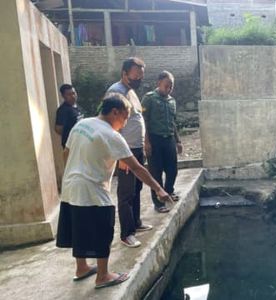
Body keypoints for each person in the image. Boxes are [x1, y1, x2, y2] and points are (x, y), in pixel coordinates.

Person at [56, 93, 173, 289]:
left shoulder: (82, 124)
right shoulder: (112, 135)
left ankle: (82, 267)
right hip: (92, 190)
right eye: (125, 117)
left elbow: (66, 152)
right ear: (115, 112)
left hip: (70, 187)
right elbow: (137, 168)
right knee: (103, 230)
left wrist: (73, 172)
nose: (125, 123)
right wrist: (159, 189)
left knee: (79, 227)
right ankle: (103, 276)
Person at [106, 57, 154, 248]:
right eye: (136, 76)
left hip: (136, 148)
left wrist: (144, 143)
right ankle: (127, 233)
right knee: (126, 192)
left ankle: (136, 222)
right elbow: (111, 123)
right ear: (124, 73)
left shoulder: (132, 92)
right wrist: (120, 154)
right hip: (125, 150)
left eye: (141, 76)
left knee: (136, 189)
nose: (139, 79)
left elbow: (138, 118)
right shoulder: (115, 92)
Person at [142, 71, 183, 213]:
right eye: (166, 85)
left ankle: (169, 191)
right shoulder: (149, 98)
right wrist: (146, 142)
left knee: (172, 169)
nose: (169, 88)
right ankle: (158, 203)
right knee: (156, 172)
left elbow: (173, 122)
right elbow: (144, 121)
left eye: (171, 86)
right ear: (159, 83)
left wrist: (178, 141)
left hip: (169, 138)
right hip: (154, 139)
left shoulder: (172, 101)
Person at [55, 84, 83, 148]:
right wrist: (70, 134)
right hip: (71, 145)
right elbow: (58, 129)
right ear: (63, 96)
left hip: (81, 142)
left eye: (74, 93)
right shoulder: (63, 110)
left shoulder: (77, 107)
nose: (73, 96)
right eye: (69, 94)